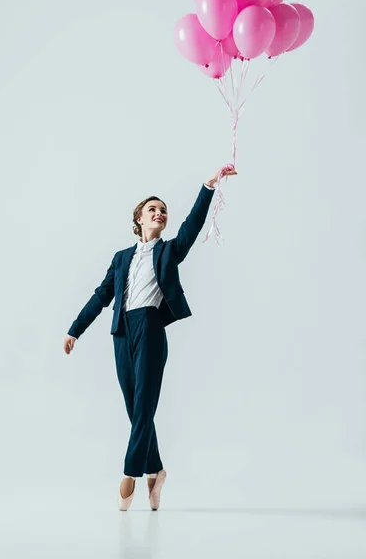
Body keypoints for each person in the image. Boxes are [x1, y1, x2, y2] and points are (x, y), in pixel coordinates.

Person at [63, 165, 237, 510]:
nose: (160, 213)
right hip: (121, 332)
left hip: (151, 328)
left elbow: (191, 228)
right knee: (134, 408)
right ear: (139, 219)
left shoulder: (169, 251)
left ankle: (130, 475)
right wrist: (74, 329)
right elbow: (102, 296)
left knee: (144, 406)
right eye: (153, 209)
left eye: (164, 211)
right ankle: (156, 470)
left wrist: (208, 187)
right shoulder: (121, 257)